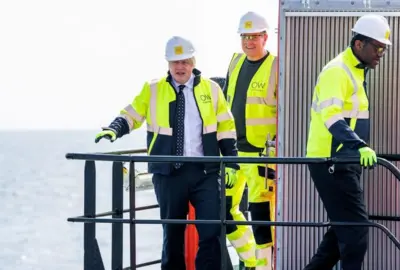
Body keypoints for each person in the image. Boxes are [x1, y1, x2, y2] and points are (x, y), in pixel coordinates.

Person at [94, 36, 239, 270]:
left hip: (205, 173)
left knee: (212, 231)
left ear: (193, 62)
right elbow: (132, 115)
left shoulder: (211, 90)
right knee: (172, 234)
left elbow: (225, 127)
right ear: (168, 64)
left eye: (184, 61)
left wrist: (231, 163)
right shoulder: (152, 89)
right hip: (169, 174)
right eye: (175, 62)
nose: (180, 67)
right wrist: (114, 129)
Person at [304, 14, 391, 270]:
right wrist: (359, 145)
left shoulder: (354, 70)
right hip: (332, 163)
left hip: (344, 162)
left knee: (338, 236)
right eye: (378, 47)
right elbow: (332, 118)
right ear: (358, 44)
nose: (381, 53)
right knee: (355, 235)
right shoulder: (337, 71)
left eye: (383, 48)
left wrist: (356, 150)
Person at [222, 11, 278, 270]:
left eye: (254, 37)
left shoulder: (277, 66)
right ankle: (252, 262)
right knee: (223, 211)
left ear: (265, 37)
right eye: (245, 37)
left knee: (261, 216)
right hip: (232, 153)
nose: (248, 42)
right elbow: (224, 104)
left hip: (260, 155)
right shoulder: (234, 62)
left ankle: (265, 267)